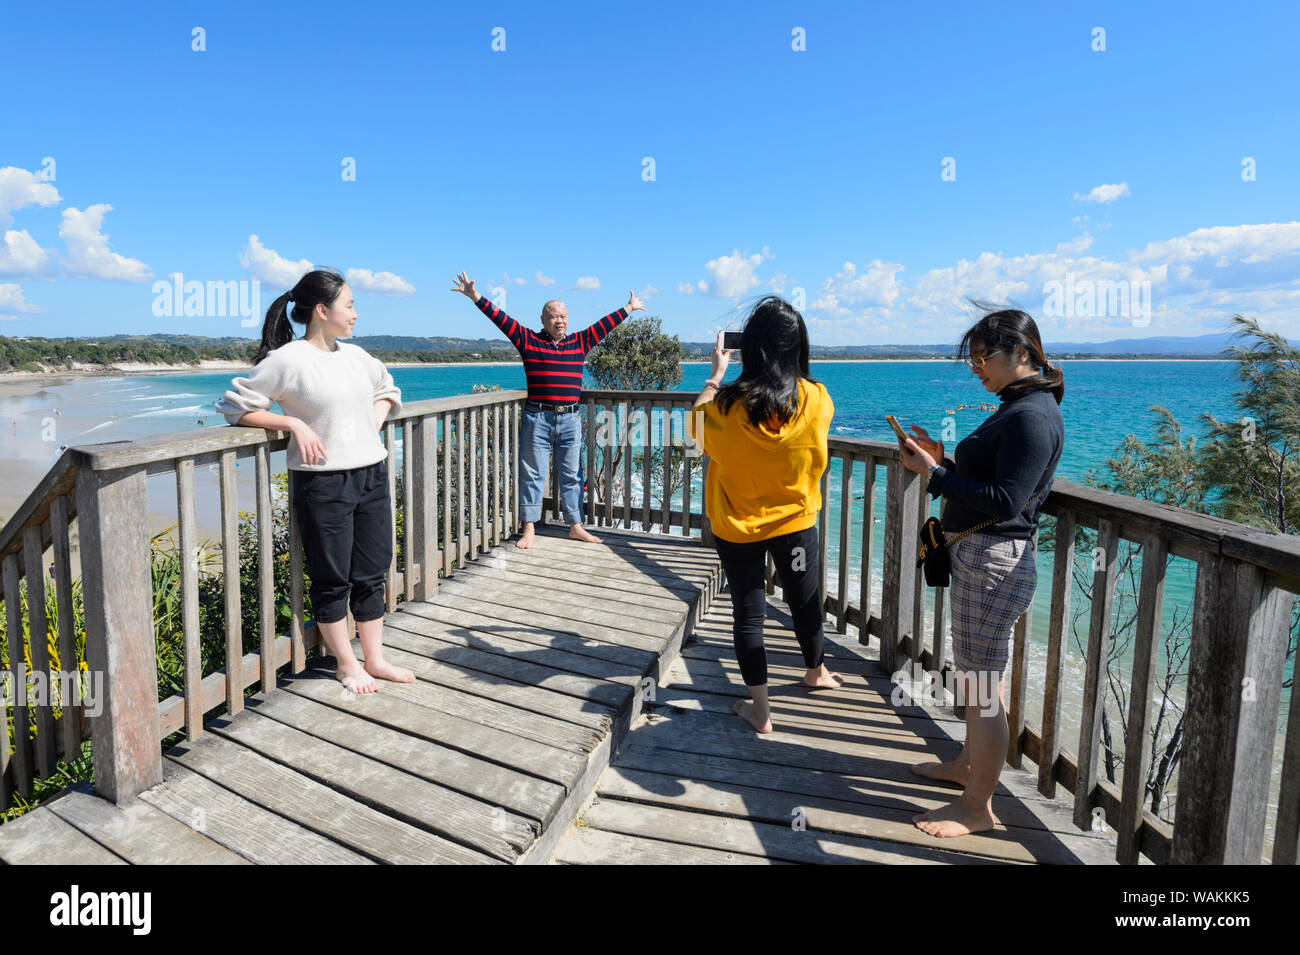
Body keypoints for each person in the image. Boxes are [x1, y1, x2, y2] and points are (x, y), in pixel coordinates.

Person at [897, 306, 1065, 837]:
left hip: (996, 561)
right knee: (973, 674)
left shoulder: (1033, 416)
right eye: (972, 358)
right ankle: (969, 767)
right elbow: (992, 476)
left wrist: (937, 475)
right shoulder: (1017, 407)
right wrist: (941, 459)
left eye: (983, 356)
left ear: (1023, 352)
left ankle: (978, 808)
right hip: (983, 559)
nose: (976, 367)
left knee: (980, 684)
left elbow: (1004, 500)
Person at [214, 268, 414, 695]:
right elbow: (236, 407)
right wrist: (292, 424)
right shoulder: (288, 360)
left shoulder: (356, 356)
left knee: (372, 570)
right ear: (322, 311)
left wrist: (372, 423)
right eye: (350, 305)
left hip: (371, 474)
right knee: (332, 577)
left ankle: (374, 659)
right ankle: (346, 663)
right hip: (322, 483)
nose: (356, 313)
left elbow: (388, 389)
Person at [687, 296, 842, 735]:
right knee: (803, 600)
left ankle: (762, 710)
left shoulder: (727, 406)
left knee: (749, 615)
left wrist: (716, 376)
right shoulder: (817, 398)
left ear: (751, 347)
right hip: (795, 525)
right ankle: (816, 672)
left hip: (739, 529)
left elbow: (693, 433)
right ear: (797, 346)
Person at [450, 271, 645, 548]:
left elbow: (605, 325)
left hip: (571, 418)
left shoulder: (580, 341)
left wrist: (628, 308)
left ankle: (575, 526)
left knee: (573, 475)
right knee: (532, 473)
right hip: (538, 417)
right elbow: (501, 319)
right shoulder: (528, 340)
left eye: (563, 315)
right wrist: (475, 297)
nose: (560, 320)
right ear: (543, 320)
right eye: (554, 315)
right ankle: (529, 527)